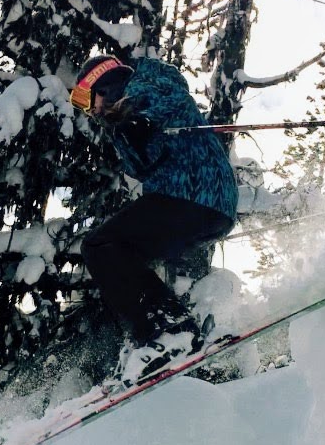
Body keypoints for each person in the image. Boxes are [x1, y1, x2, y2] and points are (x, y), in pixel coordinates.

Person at [71, 54, 238, 383]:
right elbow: (140, 164)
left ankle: (171, 331)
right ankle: (161, 335)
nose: (88, 109)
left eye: (87, 98)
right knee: (117, 255)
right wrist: (128, 129)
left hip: (196, 193)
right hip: (193, 201)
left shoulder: (145, 82)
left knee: (102, 244)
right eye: (80, 104)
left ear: (107, 83)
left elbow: (170, 97)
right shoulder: (120, 124)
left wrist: (141, 117)